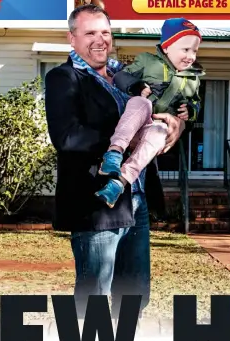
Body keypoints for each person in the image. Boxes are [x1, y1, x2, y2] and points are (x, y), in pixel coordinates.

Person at [44, 4, 187, 319]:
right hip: (95, 204)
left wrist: (174, 125)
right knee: (93, 297)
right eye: (90, 33)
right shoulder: (63, 77)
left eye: (105, 32)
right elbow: (67, 137)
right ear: (72, 38)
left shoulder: (127, 77)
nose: (100, 40)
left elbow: (158, 112)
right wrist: (126, 140)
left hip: (136, 199)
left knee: (134, 294)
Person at [95, 17, 204, 208]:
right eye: (185, 49)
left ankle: (119, 183)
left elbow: (196, 102)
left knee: (159, 133)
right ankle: (114, 153)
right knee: (141, 103)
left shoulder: (193, 78)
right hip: (135, 118)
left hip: (158, 124)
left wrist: (190, 111)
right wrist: (135, 86)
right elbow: (121, 76)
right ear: (167, 46)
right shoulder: (147, 60)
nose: (190, 56)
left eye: (194, 51)